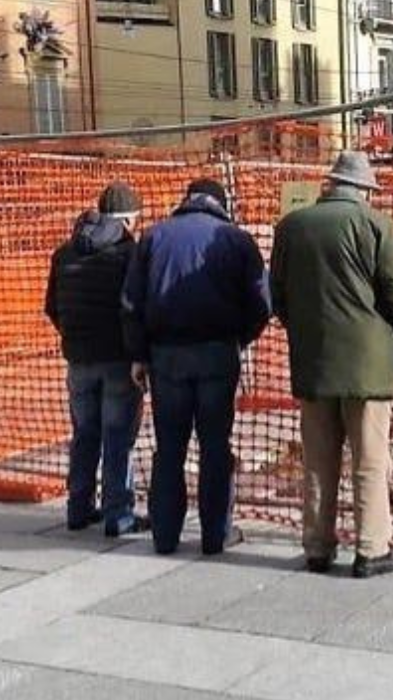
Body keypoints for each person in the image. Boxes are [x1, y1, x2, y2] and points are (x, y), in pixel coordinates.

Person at [270, 151, 393, 578]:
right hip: (369, 367)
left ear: (329, 185)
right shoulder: (377, 226)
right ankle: (372, 549)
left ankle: (317, 546)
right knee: (370, 459)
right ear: (365, 191)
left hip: (313, 362)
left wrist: (304, 330)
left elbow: (277, 295)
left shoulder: (291, 227)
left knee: (318, 458)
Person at [122, 179, 271, 556]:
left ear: (186, 200)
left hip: (166, 357)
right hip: (218, 354)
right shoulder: (236, 239)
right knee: (215, 447)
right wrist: (240, 339)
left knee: (169, 448)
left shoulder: (154, 237)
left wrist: (139, 355)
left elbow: (130, 303)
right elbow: (261, 303)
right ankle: (215, 535)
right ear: (220, 203)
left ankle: (165, 535)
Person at [44, 182, 150, 537]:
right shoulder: (128, 253)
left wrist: (73, 337)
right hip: (118, 359)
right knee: (118, 437)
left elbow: (52, 307)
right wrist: (139, 353)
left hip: (77, 359)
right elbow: (134, 308)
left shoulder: (64, 253)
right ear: (129, 220)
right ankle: (118, 515)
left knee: (84, 435)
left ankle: (78, 507)